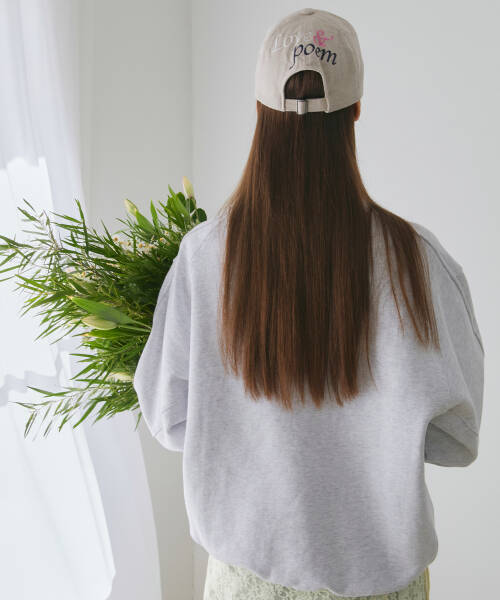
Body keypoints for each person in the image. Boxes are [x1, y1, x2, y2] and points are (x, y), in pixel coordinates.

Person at [133, 8, 484, 600]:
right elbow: (456, 439)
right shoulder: (419, 263)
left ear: (258, 110)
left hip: (245, 581)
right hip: (384, 586)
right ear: (357, 110)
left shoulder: (204, 257)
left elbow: (170, 421)